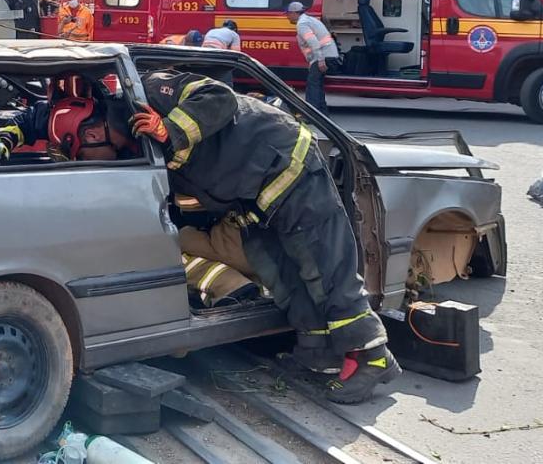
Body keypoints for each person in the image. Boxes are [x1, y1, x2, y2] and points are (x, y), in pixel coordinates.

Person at [131, 70, 399, 403]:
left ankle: (374, 357)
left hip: (289, 164)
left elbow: (220, 98)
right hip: (259, 196)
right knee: (285, 274)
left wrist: (169, 130)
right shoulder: (131, 140)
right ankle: (317, 353)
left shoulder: (152, 88)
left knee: (326, 268)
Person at [0, 75, 136, 165]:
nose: (80, 163)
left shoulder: (137, 113)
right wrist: (3, 141)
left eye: (81, 157)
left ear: (92, 136)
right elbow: (23, 124)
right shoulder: (58, 119)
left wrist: (161, 131)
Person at [286, 2, 339, 115]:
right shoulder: (310, 20)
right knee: (317, 85)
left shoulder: (302, 24)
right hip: (329, 55)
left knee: (312, 86)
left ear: (295, 13)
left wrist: (320, 60)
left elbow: (314, 43)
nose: (287, 16)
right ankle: (322, 114)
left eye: (288, 13)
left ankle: (311, 115)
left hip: (324, 56)